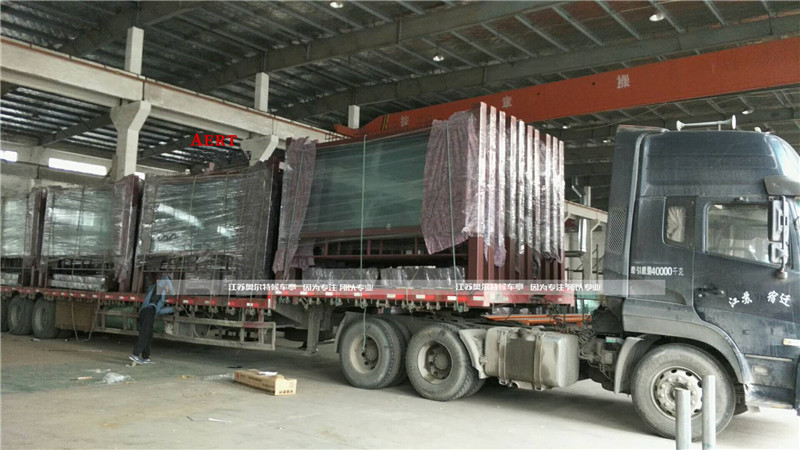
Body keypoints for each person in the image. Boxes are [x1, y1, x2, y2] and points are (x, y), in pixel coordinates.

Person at [129, 275, 174, 364]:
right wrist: (172, 290)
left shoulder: (161, 293)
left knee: (149, 335)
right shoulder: (158, 286)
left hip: (150, 312)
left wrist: (172, 309)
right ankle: (135, 354)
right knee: (145, 333)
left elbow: (158, 311)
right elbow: (165, 277)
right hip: (147, 311)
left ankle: (146, 357)